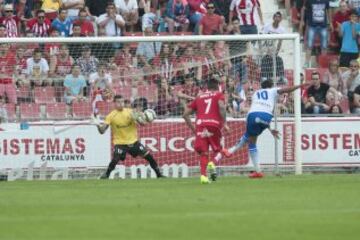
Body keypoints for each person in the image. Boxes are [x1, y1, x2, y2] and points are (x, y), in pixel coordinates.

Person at [223, 79, 309, 178]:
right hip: (267, 118)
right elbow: (287, 90)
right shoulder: (272, 91)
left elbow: (258, 108)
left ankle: (255, 169)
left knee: (251, 142)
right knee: (249, 136)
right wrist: (300, 85)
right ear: (271, 86)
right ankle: (230, 151)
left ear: (262, 86)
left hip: (253, 115)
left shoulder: (256, 93)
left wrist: (270, 130)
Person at [95, 95, 164, 179]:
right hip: (120, 143)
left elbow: (143, 124)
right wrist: (98, 125)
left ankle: (159, 175)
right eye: (118, 102)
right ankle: (106, 175)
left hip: (133, 142)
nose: (121, 104)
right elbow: (102, 131)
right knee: (115, 159)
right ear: (114, 103)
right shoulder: (111, 116)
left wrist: (140, 119)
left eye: (122, 102)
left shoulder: (131, 112)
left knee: (149, 156)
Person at [183, 76, 230, 184]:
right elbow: (222, 107)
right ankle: (212, 163)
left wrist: (194, 129)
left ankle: (203, 177)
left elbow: (185, 114)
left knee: (203, 153)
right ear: (218, 87)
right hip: (214, 125)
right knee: (219, 150)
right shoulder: (219, 95)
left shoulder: (199, 97)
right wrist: (225, 123)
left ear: (207, 88)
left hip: (200, 126)